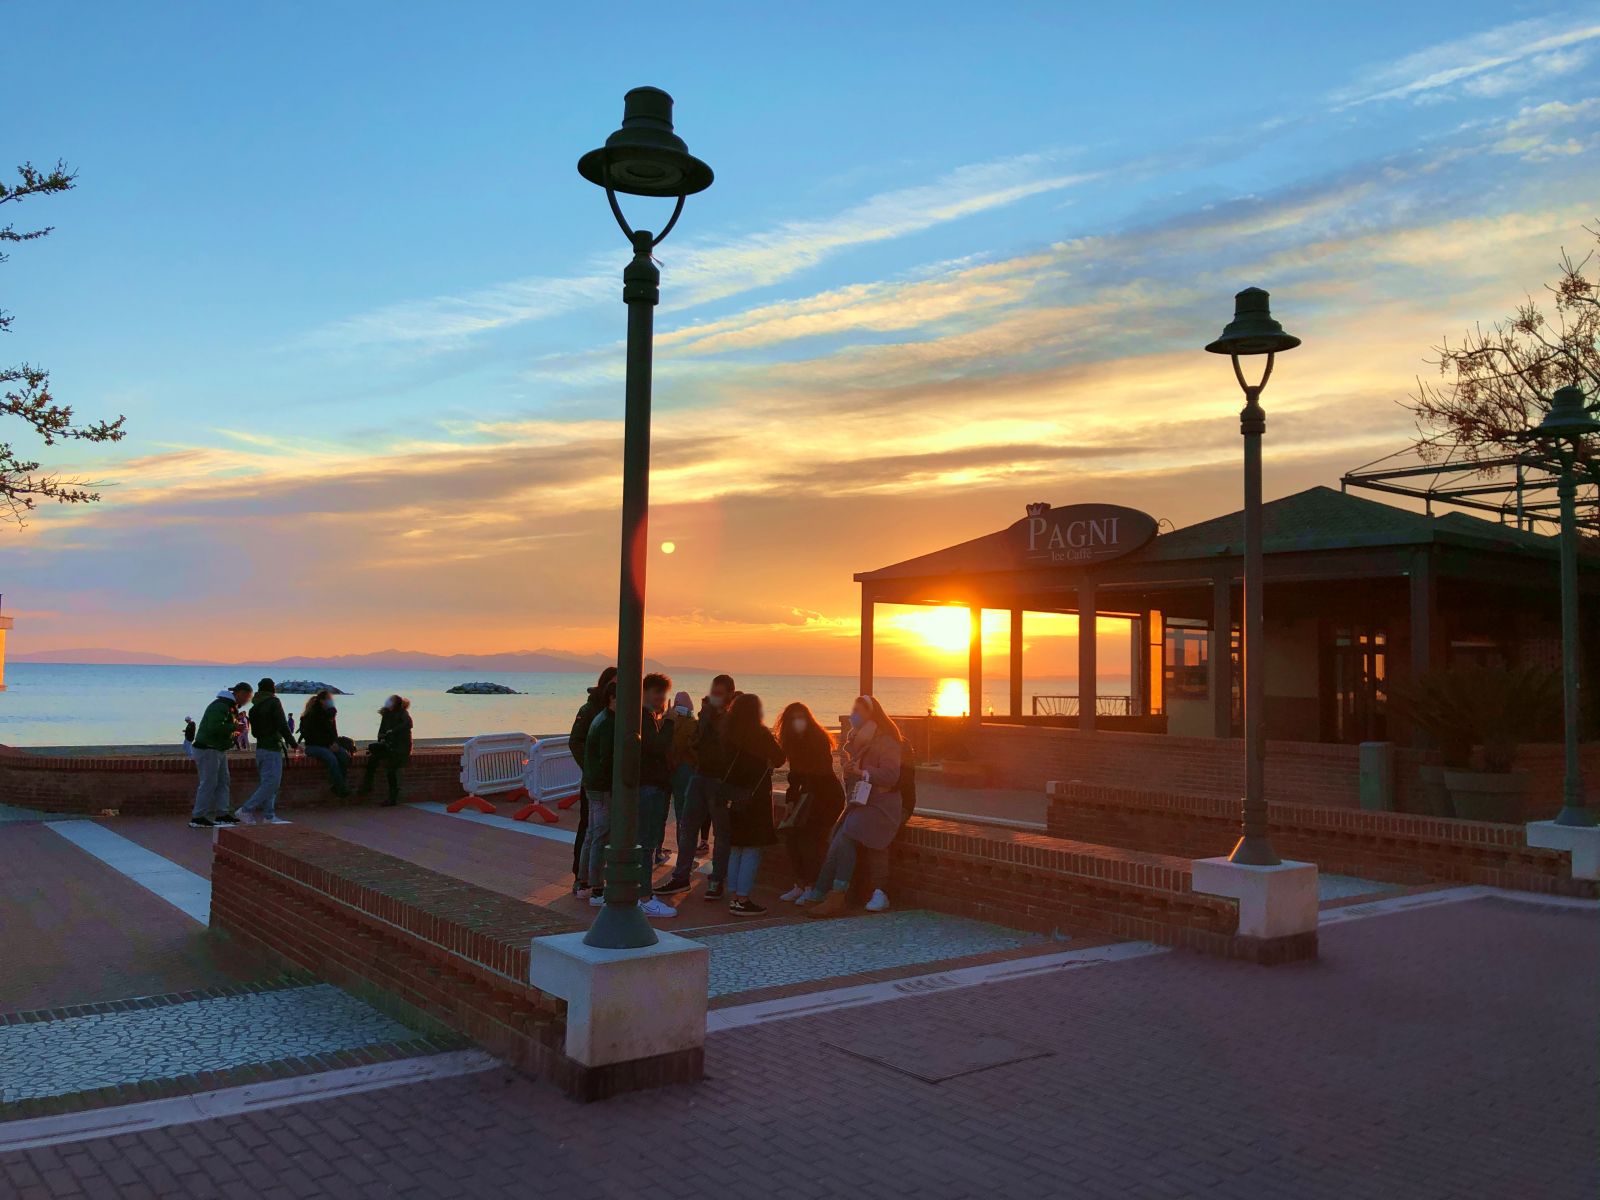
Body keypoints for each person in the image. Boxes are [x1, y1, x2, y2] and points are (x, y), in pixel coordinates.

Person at [805, 695, 902, 918]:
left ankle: (836, 894)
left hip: (881, 805)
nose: (853, 715)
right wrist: (849, 772)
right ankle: (823, 892)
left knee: (847, 833)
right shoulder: (855, 740)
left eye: (858, 710)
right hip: (862, 802)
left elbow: (891, 775)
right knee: (838, 838)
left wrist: (863, 772)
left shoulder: (887, 741)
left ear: (871, 713)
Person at [654, 673, 737, 899]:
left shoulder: (730, 719)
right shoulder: (707, 714)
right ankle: (682, 878)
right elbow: (697, 741)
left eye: (719, 692)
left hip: (717, 780)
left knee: (719, 833)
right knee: (688, 828)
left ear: (729, 694)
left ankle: (715, 881)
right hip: (700, 776)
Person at [774, 702, 845, 903]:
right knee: (792, 838)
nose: (798, 722)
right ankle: (801, 883)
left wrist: (800, 797)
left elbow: (818, 773)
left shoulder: (818, 739)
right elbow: (794, 776)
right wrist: (791, 799)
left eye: (801, 718)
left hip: (826, 797)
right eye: (793, 719)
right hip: (806, 796)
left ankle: (812, 886)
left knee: (810, 840)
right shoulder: (793, 742)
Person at [721, 693, 784, 916]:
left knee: (736, 847)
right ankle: (743, 898)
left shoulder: (728, 732)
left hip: (733, 795)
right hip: (755, 797)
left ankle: (734, 896)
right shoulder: (760, 734)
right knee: (752, 848)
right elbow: (779, 758)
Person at [568, 667, 617, 895]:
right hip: (595, 780)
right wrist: (590, 767)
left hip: (602, 779)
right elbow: (576, 741)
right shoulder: (591, 711)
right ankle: (583, 878)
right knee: (590, 828)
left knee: (596, 830)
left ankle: (589, 876)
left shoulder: (615, 713)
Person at [636, 674, 678, 918]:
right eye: (657, 693)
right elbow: (655, 747)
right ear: (644, 692)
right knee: (646, 843)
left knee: (645, 842)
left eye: (663, 694)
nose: (661, 698)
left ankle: (639, 893)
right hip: (649, 787)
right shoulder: (643, 718)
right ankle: (644, 897)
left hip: (649, 786)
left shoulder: (646, 717)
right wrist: (670, 723)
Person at [189, 682, 251, 828]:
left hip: (217, 749)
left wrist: (233, 732)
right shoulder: (221, 706)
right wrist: (234, 727)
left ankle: (222, 814)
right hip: (208, 748)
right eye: (247, 697)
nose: (248, 701)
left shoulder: (228, 706)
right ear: (240, 693)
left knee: (223, 781)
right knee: (208, 783)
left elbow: (220, 728)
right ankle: (198, 817)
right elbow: (214, 727)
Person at [579, 680, 618, 907]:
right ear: (613, 698)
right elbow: (607, 758)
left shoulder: (601, 718)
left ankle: (584, 882)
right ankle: (597, 888)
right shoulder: (608, 723)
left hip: (592, 783)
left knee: (592, 833)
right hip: (602, 786)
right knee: (601, 835)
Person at [240, 678, 296, 825]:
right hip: (272, 748)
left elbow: (254, 733)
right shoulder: (274, 702)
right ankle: (246, 809)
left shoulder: (254, 708)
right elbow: (282, 725)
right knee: (272, 783)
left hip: (261, 748)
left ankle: (269, 816)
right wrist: (293, 743)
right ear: (272, 689)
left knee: (268, 783)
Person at [360, 695, 413, 807]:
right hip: (388, 746)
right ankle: (367, 785)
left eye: (391, 701)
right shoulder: (386, 715)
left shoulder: (403, 714)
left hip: (400, 748)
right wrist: (382, 738)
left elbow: (407, 725)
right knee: (372, 760)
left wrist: (392, 731)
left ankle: (392, 797)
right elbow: (381, 732)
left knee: (391, 769)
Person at [666, 689, 698, 865]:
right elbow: (694, 749)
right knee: (688, 819)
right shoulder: (692, 725)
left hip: (673, 773)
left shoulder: (668, 722)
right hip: (687, 772)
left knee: (680, 815)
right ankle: (686, 858)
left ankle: (679, 855)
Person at [299, 689, 351, 797]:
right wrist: (328, 745)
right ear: (322, 701)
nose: (331, 701)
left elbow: (334, 733)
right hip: (313, 746)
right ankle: (341, 788)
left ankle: (337, 784)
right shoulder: (312, 715)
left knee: (344, 755)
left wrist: (335, 743)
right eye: (329, 699)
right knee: (331, 758)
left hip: (328, 745)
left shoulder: (330, 715)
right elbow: (312, 736)